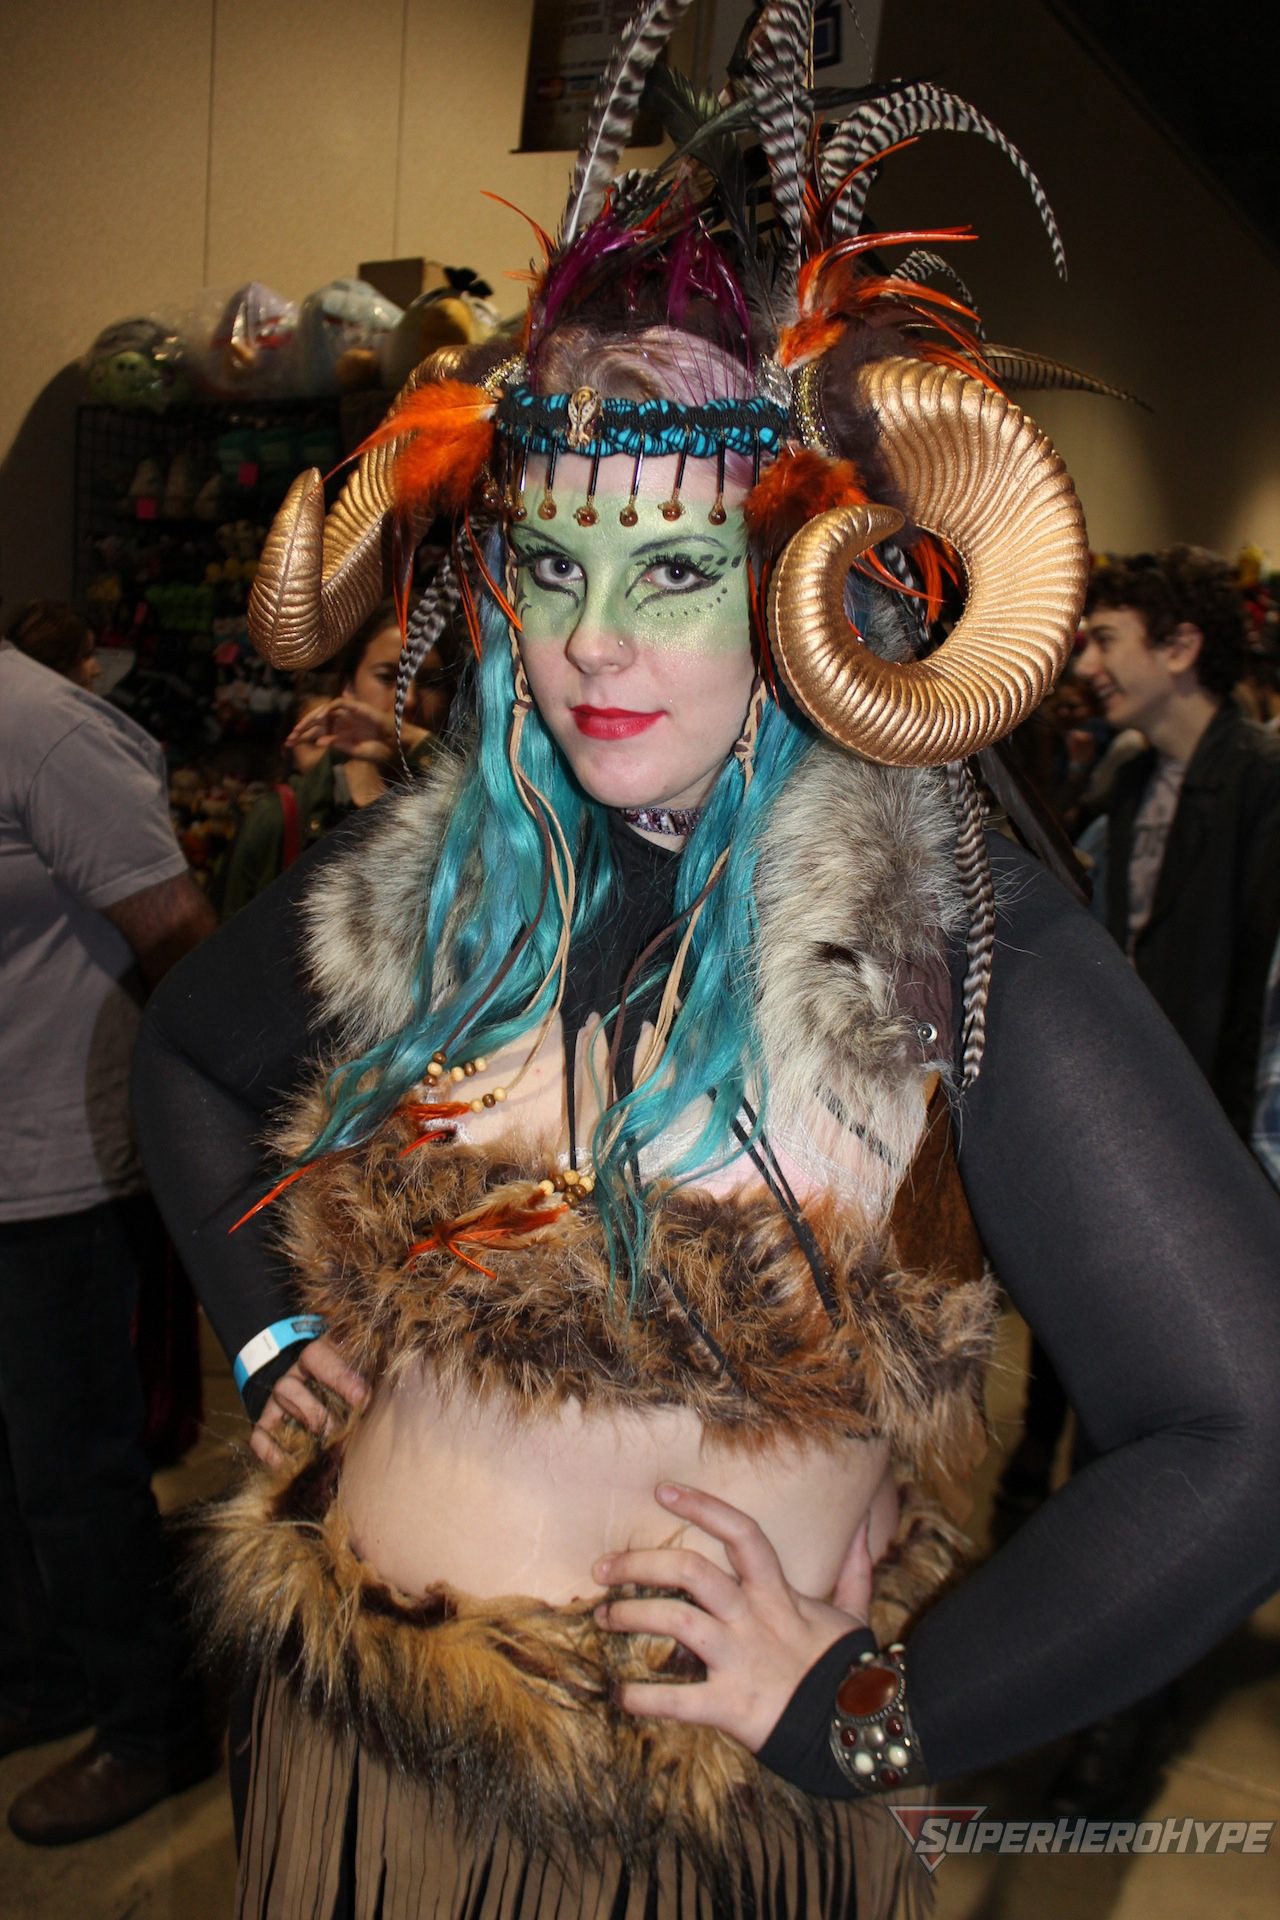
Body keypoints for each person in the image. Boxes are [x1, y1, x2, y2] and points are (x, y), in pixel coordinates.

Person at [132, 9, 1280, 1917]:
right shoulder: (450, 872)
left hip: (668, 1842)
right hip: (336, 1769)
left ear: (799, 577)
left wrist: (869, 1722)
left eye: (672, 570)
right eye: (553, 560)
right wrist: (268, 1333)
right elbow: (184, 1057)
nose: (594, 641)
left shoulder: (938, 933)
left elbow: (1242, 1435)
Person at [0, 628, 219, 1844]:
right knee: (16, 1469)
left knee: (73, 1470)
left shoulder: (41, 728)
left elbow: (180, 938)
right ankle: (46, 1679)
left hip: (60, 1175)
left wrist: (212, 1144)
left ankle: (153, 1724)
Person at [1075, 547, 1280, 1138]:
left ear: (1180, 648)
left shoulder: (1264, 782)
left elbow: (1257, 1003)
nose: (1086, 667)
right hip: (1150, 1107)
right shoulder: (1131, 781)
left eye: (1106, 640)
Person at [218, 598, 451, 916]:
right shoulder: (280, 818)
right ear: (348, 688)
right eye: (387, 677)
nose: (408, 699)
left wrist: (421, 746)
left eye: (431, 681)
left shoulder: (464, 816)